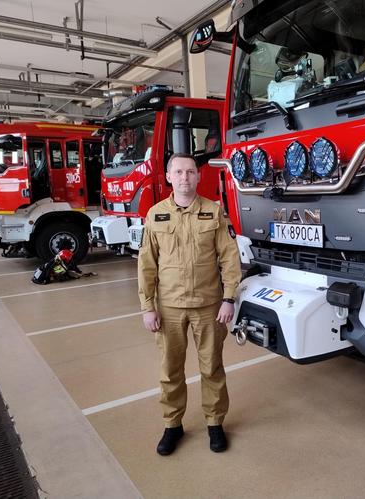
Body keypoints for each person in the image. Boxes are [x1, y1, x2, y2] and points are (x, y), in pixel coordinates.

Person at [137, 153, 241, 456]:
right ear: (169, 177)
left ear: (198, 177)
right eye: (178, 172)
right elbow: (146, 265)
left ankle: (214, 422)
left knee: (212, 368)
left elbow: (229, 258)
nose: (185, 177)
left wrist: (229, 298)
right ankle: (172, 425)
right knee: (170, 370)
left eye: (190, 172)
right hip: (169, 308)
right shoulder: (155, 215)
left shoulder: (214, 212)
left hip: (209, 307)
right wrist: (147, 306)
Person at [31, 249, 96, 284]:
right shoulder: (54, 262)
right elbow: (48, 269)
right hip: (41, 277)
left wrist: (88, 274)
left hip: (44, 275)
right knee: (64, 269)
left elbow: (76, 270)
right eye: (70, 258)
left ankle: (57, 275)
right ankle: (56, 276)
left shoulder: (61, 261)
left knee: (65, 269)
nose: (71, 260)